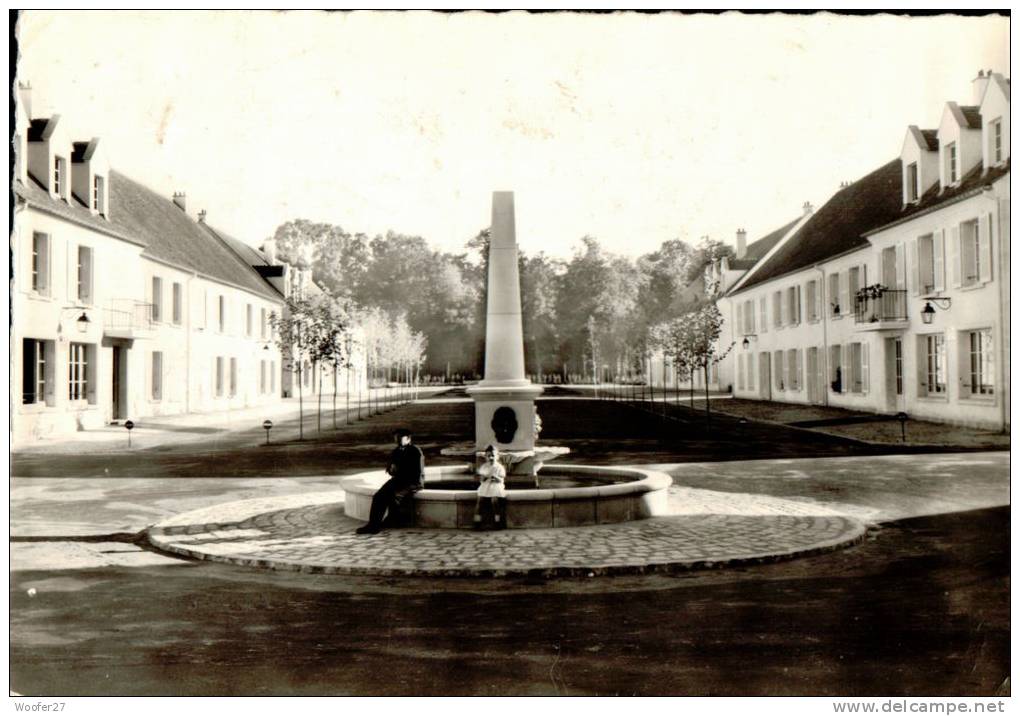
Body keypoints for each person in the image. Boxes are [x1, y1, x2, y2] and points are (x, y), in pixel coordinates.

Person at [356, 428, 425, 535]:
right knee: (378, 496)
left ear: (408, 439)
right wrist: (391, 470)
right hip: (398, 480)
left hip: (412, 482)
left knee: (394, 495)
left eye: (400, 437)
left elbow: (417, 472)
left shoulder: (416, 451)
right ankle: (373, 525)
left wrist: (399, 472)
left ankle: (391, 520)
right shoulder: (396, 451)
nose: (397, 440)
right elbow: (390, 469)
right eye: (395, 438)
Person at [474, 444, 508, 530]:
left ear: (497, 456)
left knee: (494, 501)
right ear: (486, 457)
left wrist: (495, 477)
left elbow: (501, 479)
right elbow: (481, 479)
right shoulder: (484, 466)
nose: (491, 458)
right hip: (486, 486)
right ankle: (477, 522)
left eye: (493, 455)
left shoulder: (499, 467)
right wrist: (484, 477)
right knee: (480, 501)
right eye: (489, 456)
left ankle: (497, 521)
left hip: (495, 486)